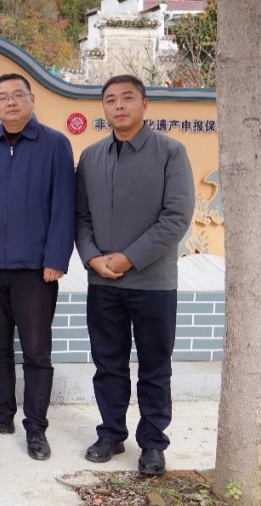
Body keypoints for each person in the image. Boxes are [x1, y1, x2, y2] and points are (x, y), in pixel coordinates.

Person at [76, 74, 195, 476]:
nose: (119, 106)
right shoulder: (91, 157)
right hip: (102, 282)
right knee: (108, 363)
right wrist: (93, 259)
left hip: (152, 283)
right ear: (104, 108)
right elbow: (81, 217)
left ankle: (153, 443)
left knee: (154, 366)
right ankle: (111, 433)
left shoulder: (170, 152)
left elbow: (176, 217)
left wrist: (127, 259)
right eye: (110, 100)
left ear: (145, 104)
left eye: (128, 98)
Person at [0, 73, 75, 461]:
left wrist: (56, 258)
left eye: (17, 95)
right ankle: (0, 414)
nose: (10, 102)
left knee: (36, 352)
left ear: (32, 99)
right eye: (2, 97)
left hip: (35, 269)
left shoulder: (54, 144)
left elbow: (64, 205)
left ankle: (36, 426)